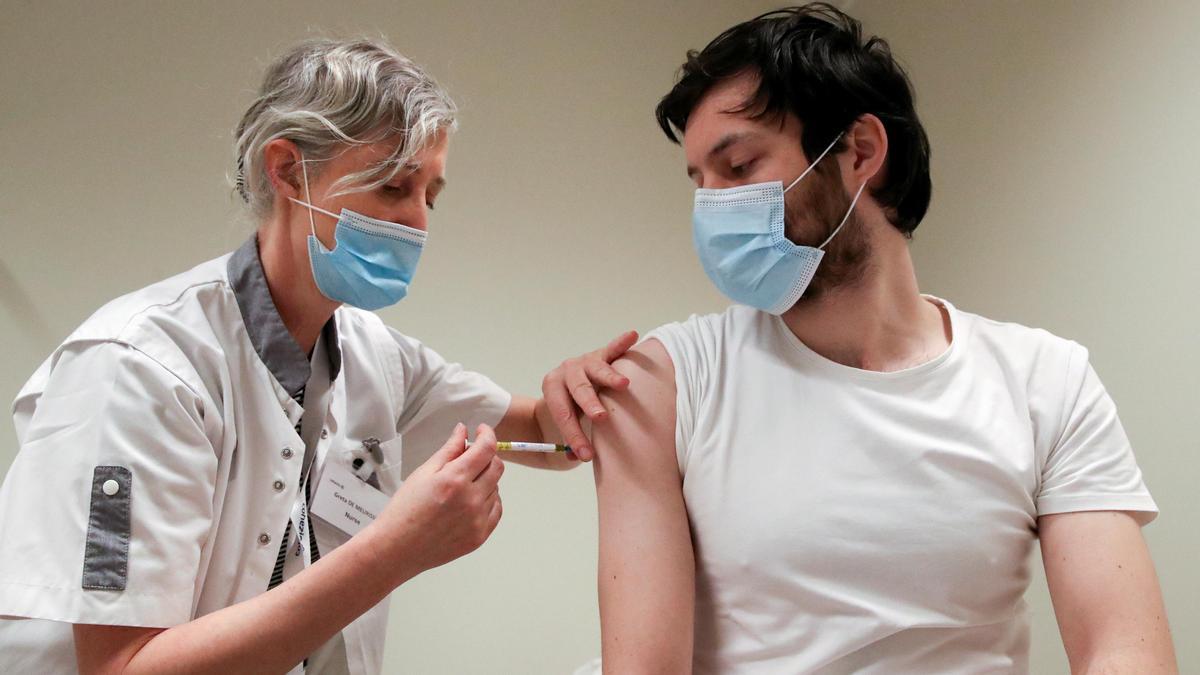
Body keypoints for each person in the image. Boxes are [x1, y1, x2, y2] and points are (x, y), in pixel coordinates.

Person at [0, 38, 632, 675]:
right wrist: (394, 552)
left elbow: (548, 437)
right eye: (392, 187)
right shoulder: (140, 368)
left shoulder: (373, 358)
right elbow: (122, 669)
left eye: (430, 196)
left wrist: (578, 386)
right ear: (287, 169)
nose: (418, 223)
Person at [589, 5, 1178, 673]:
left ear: (860, 151)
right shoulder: (665, 382)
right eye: (700, 182)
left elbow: (1123, 649)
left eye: (739, 166)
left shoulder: (1048, 381)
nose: (713, 208)